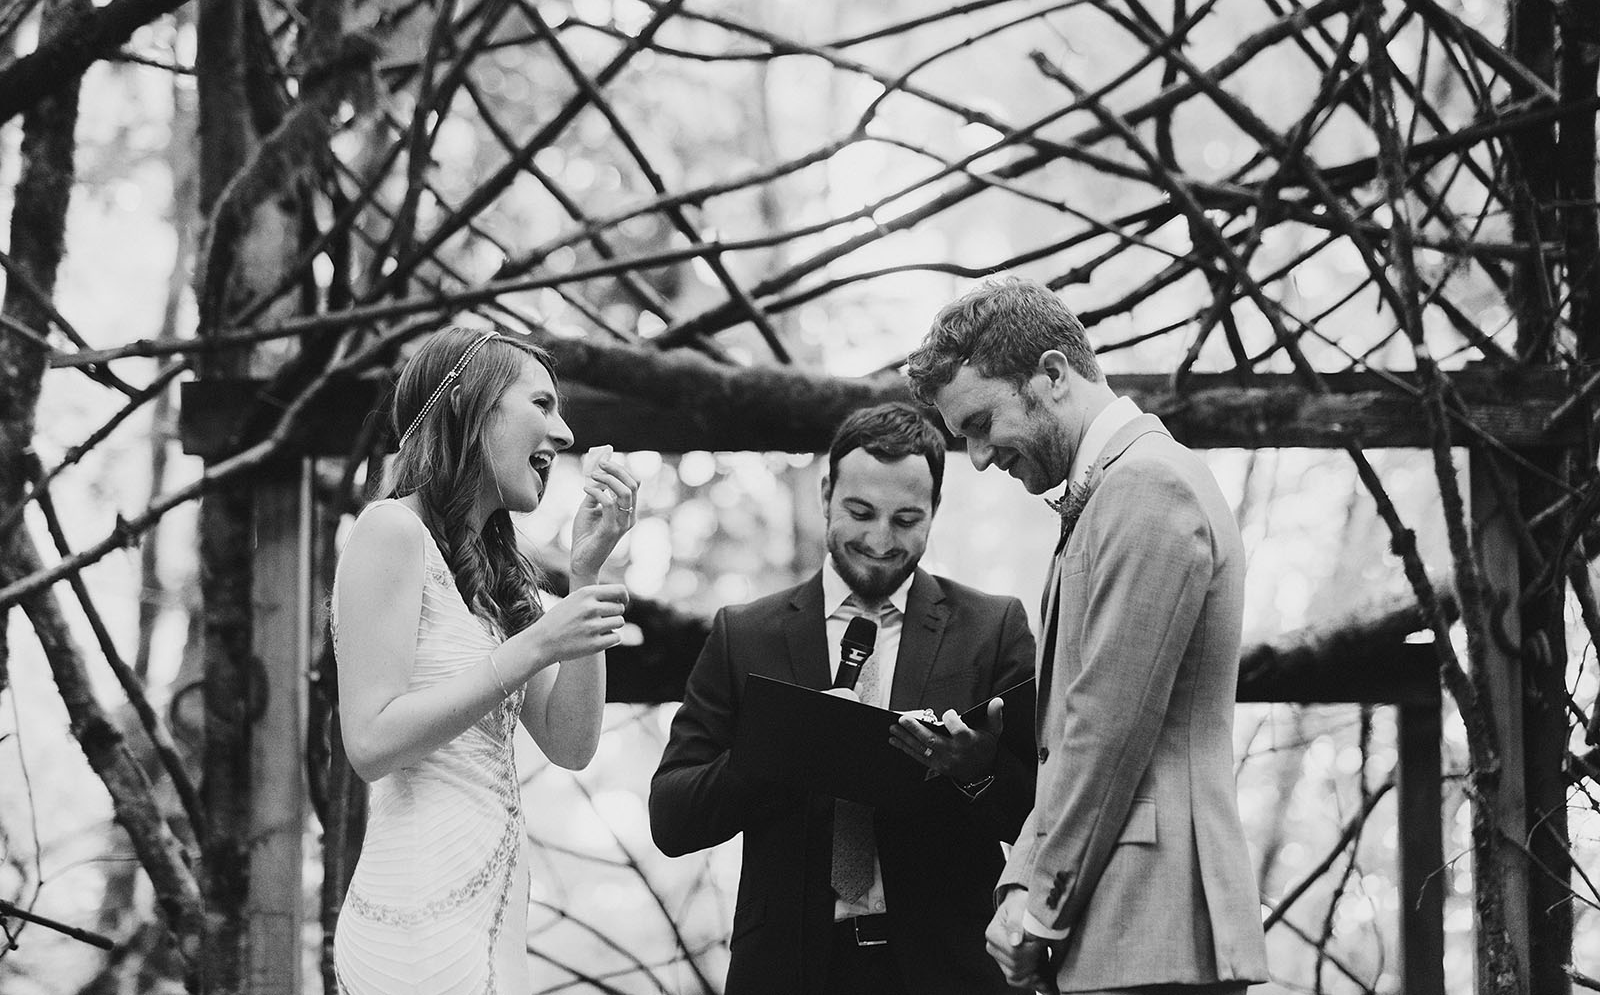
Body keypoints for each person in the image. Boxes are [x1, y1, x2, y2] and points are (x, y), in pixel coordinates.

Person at [906, 278, 1269, 994]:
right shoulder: (1110, 494)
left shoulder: (1147, 486)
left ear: (1051, 374)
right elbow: (1073, 738)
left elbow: (1107, 728)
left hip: (1158, 920)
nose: (976, 457)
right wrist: (1018, 887)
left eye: (981, 423)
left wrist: (1038, 907)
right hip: (1125, 925)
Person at [650, 402, 1036, 995]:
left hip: (950, 969)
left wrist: (975, 771)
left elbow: (1042, 813)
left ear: (935, 510)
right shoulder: (745, 633)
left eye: (907, 519)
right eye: (860, 513)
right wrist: (787, 746)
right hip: (787, 970)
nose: (881, 541)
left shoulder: (992, 628)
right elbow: (673, 820)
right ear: (826, 493)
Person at [331, 326, 639, 995]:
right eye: (543, 404)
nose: (564, 433)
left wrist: (588, 575)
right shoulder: (389, 531)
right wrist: (536, 645)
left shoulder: (491, 582)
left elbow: (571, 741)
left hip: (484, 917)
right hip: (415, 915)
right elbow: (370, 741)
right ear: (471, 406)